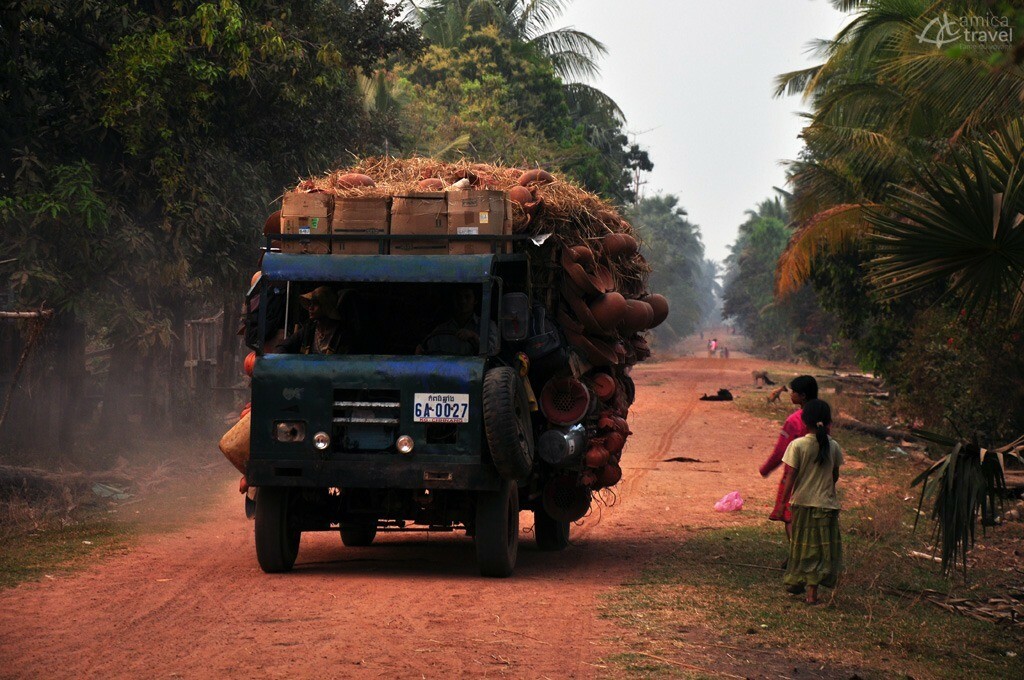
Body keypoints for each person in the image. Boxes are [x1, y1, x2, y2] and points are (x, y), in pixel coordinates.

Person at [780, 398, 844, 604]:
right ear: (827, 422)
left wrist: (783, 503)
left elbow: (790, 476)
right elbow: (835, 476)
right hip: (827, 505)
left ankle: (799, 583)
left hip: (803, 504)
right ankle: (812, 593)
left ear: (804, 421)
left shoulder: (797, 445)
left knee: (804, 546)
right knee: (821, 549)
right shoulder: (833, 446)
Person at [760, 375, 818, 549]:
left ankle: (797, 553)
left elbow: (781, 450)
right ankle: (807, 552)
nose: (790, 394)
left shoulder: (794, 421)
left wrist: (766, 468)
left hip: (795, 473)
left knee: (790, 515)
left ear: (803, 396)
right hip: (817, 473)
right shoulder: (823, 418)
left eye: (793, 392)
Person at [418, 287, 498, 356]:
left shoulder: (487, 325)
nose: (462, 301)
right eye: (458, 297)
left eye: (467, 297)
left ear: (475, 300)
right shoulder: (441, 330)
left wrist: (474, 336)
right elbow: (429, 351)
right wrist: (421, 352)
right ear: (453, 300)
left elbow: (493, 351)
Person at [280, 285, 355, 355]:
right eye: (310, 303)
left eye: (315, 304)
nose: (310, 308)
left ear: (326, 307)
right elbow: (282, 347)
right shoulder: (309, 329)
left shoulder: (341, 334)